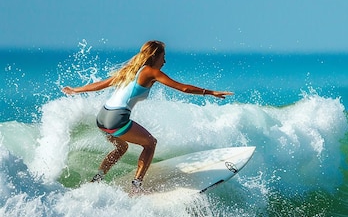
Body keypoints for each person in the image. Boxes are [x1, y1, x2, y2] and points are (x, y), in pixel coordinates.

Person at [62, 40, 233, 193]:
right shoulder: (150, 72)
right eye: (163, 57)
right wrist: (210, 92)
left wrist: (75, 90)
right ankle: (137, 185)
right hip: (117, 117)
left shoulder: (129, 70)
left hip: (102, 117)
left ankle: (97, 179)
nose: (164, 61)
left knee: (121, 148)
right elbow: (183, 88)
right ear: (155, 56)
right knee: (150, 143)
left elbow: (101, 84)